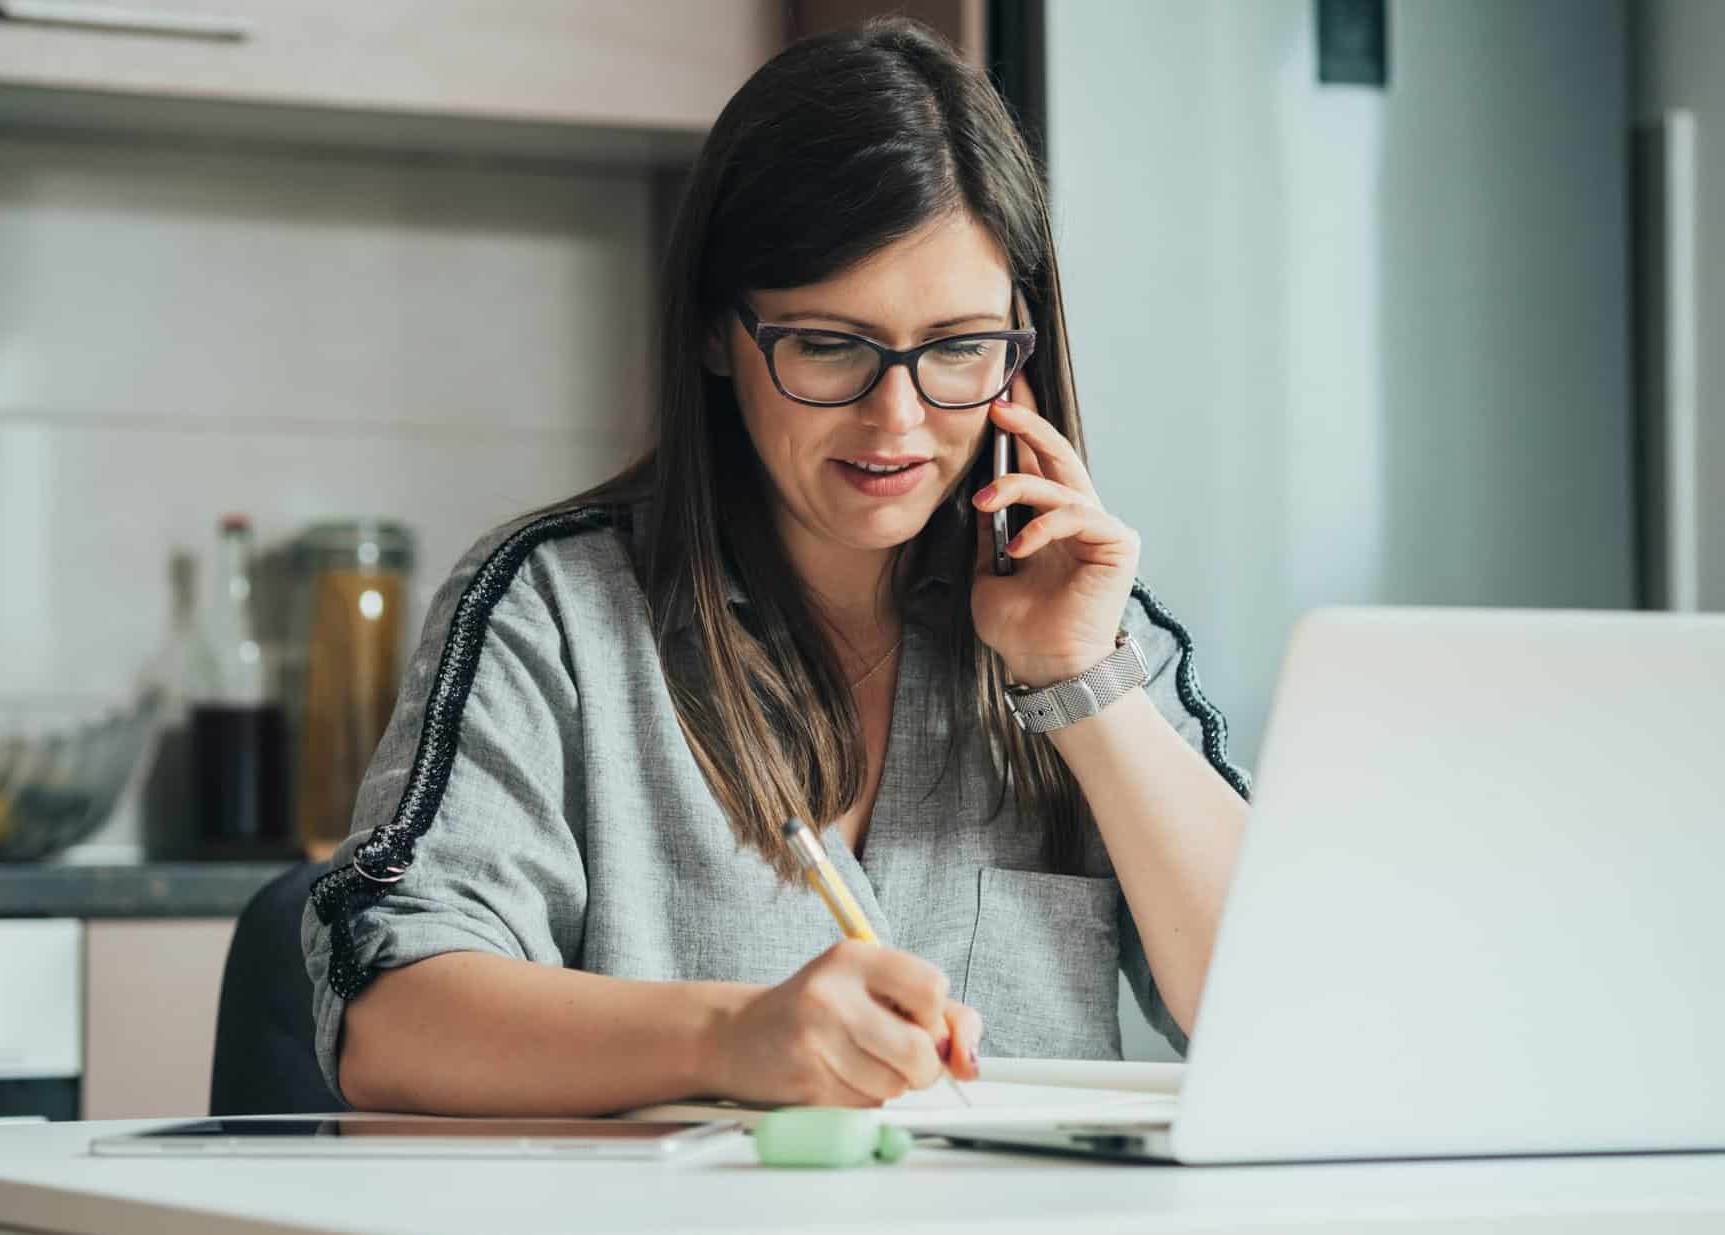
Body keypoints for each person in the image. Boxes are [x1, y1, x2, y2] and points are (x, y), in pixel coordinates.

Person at [304, 17, 1253, 1117]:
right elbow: (388, 1016)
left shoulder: (1097, 626)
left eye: (956, 348)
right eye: (829, 345)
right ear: (718, 332)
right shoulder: (554, 612)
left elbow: (1278, 1016)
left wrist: (1082, 684)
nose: (896, 419)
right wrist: (733, 1036)